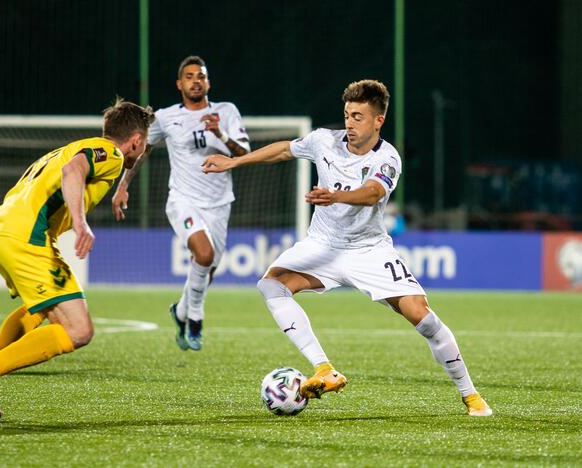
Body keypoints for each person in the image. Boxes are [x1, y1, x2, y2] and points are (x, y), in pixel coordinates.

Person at [201, 80, 492, 416]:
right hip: (322, 246)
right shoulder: (324, 140)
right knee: (271, 284)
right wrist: (234, 163)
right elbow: (284, 149)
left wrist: (335, 196)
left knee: (422, 317)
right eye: (347, 115)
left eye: (358, 117)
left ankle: (471, 396)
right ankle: (324, 369)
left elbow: (372, 193)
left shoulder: (387, 158)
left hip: (368, 251)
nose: (350, 124)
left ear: (378, 121)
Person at [0, 98, 155, 426]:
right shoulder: (112, 154)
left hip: (1, 232)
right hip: (26, 239)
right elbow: (72, 171)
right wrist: (80, 222)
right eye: (142, 143)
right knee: (78, 329)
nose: (142, 149)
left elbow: (74, 166)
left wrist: (119, 191)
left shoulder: (76, 147)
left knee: (38, 312)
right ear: (134, 140)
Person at [111, 56, 250, 351]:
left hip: (220, 202)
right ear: (179, 84)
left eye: (201, 76)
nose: (195, 81)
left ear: (208, 82)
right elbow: (140, 152)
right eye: (189, 76)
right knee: (203, 253)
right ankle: (195, 319)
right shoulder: (164, 117)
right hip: (183, 199)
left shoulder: (226, 112)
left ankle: (182, 311)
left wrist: (219, 134)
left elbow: (244, 153)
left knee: (208, 267)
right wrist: (122, 185)